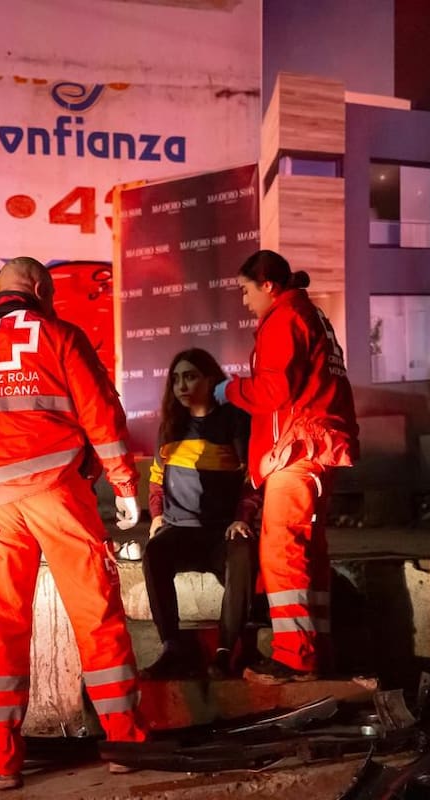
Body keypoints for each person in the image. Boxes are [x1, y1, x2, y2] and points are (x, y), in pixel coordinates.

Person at [0, 257, 147, 790]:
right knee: (95, 616)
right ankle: (123, 745)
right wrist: (123, 486)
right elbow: (102, 416)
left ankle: (1, 762)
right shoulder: (60, 333)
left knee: (2, 626)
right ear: (42, 290)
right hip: (58, 495)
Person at [219, 250, 359, 685]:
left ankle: (295, 660)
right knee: (308, 554)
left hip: (295, 449)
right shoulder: (310, 316)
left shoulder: (284, 318)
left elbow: (273, 390)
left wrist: (229, 390)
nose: (244, 301)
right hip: (317, 446)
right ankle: (317, 654)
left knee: (281, 551)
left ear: (267, 286)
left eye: (245, 290)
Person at [139, 348, 259, 681]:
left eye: (190, 376)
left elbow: (253, 479)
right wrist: (158, 517)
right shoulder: (171, 427)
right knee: (155, 552)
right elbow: (156, 481)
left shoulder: (235, 422)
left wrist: (242, 518)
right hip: (182, 530)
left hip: (223, 530)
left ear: (211, 380)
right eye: (176, 379)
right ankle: (173, 648)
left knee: (242, 551)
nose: (182, 385)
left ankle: (224, 653)